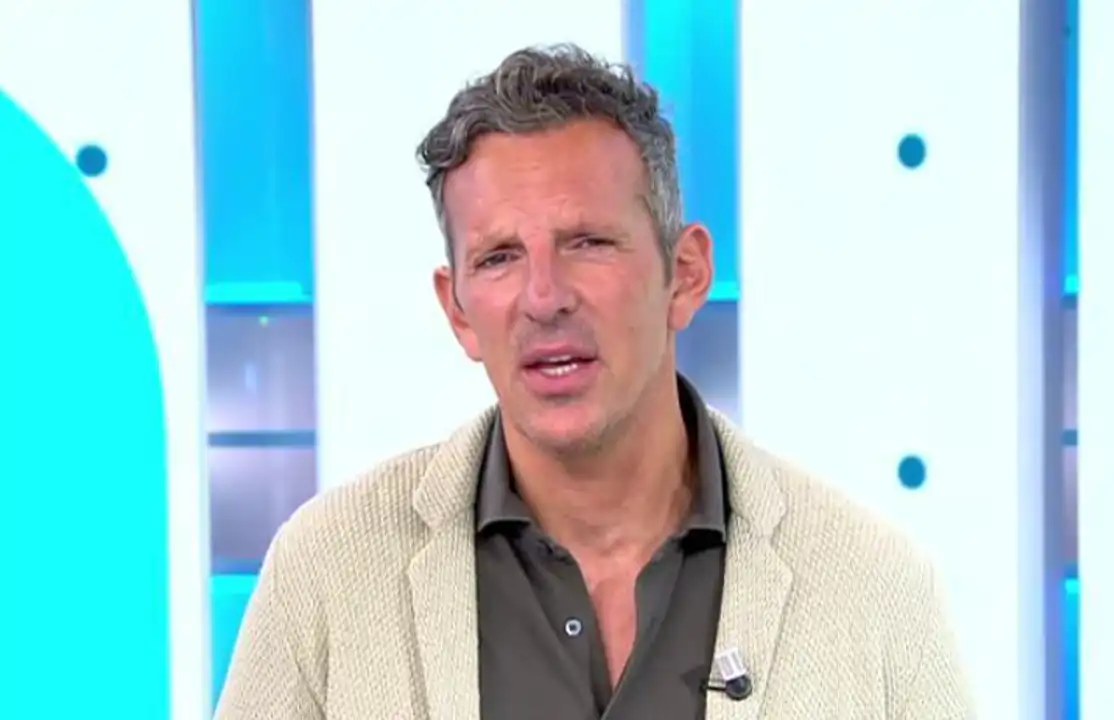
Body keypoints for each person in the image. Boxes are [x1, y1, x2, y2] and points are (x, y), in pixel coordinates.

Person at [215, 44, 974, 720]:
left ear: (685, 274)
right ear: (459, 310)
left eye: (587, 242)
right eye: (499, 258)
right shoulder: (328, 575)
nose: (544, 298)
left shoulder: (872, 588)